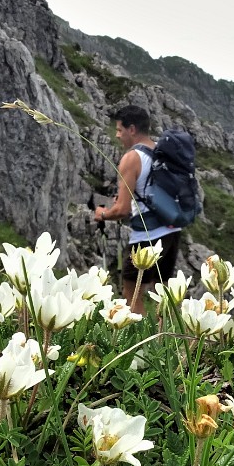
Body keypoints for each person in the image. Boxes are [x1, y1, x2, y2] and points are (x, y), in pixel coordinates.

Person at [91, 105, 181, 314]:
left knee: (131, 292)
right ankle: (167, 340)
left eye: (119, 130)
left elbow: (121, 210)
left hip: (146, 235)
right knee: (163, 293)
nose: (117, 135)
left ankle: (140, 342)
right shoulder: (162, 151)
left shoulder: (131, 158)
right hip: (171, 230)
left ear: (132, 129)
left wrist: (102, 214)